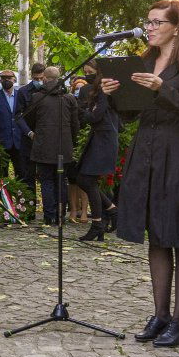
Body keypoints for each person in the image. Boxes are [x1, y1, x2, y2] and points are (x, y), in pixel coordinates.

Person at [106, 0, 179, 348]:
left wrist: (160, 87)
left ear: (177, 27)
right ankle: (160, 315)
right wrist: (113, 96)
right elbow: (130, 116)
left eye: (157, 22)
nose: (150, 28)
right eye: (148, 21)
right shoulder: (144, 61)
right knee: (157, 235)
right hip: (148, 153)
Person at [23, 66, 80, 225]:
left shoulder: (37, 98)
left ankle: (50, 216)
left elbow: (30, 120)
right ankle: (61, 215)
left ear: (45, 79)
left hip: (43, 147)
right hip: (64, 147)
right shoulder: (69, 98)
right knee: (61, 181)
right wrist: (72, 142)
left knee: (46, 181)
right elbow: (76, 125)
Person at [75, 62, 120, 240]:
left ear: (99, 72)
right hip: (99, 137)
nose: (87, 75)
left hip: (105, 139)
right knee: (83, 178)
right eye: (85, 72)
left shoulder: (105, 90)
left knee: (86, 179)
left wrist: (81, 111)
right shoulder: (94, 90)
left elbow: (95, 116)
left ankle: (98, 222)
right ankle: (110, 211)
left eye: (90, 72)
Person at [0, 69, 34, 195]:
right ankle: (4, 200)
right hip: (1, 141)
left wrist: (29, 133)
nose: (6, 80)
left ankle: (22, 200)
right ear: (0, 80)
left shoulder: (20, 95)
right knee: (1, 173)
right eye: (3, 78)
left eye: (9, 78)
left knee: (21, 172)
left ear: (14, 79)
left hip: (19, 141)